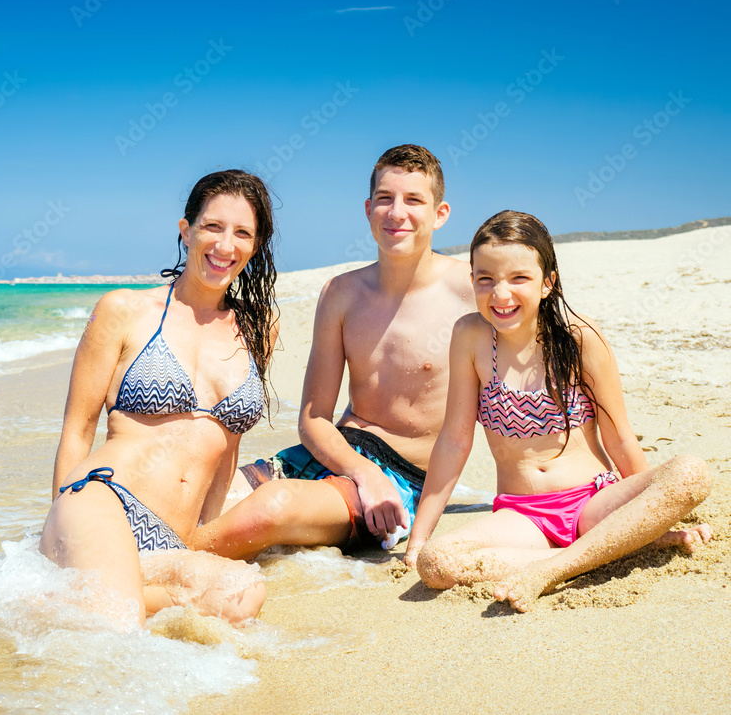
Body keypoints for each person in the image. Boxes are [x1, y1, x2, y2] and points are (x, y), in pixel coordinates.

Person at [404, 210, 713, 612]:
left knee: (691, 473)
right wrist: (419, 539)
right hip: (524, 518)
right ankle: (589, 558)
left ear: (547, 282)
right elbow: (454, 440)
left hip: (595, 504)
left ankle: (555, 568)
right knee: (437, 563)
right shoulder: (470, 336)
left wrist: (648, 519)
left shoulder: (581, 339)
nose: (501, 294)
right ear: (473, 281)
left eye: (519, 278)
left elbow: (619, 436)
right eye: (486, 279)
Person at [194, 144, 475, 560]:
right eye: (385, 198)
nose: (397, 212)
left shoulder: (471, 293)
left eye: (414, 199)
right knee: (197, 498)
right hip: (330, 454)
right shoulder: (341, 294)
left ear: (440, 213)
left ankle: (160, 569)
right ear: (368, 209)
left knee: (273, 508)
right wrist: (363, 473)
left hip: (400, 478)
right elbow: (312, 418)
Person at [39, 169, 278, 628]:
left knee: (241, 595)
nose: (225, 245)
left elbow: (228, 445)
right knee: (114, 628)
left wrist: (199, 535)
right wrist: (57, 533)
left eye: (242, 232)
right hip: (102, 496)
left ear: (255, 245)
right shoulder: (124, 310)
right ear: (187, 231)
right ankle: (83, 588)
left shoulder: (258, 329)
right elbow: (78, 428)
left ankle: (52, 597)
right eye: (213, 227)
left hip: (170, 538)